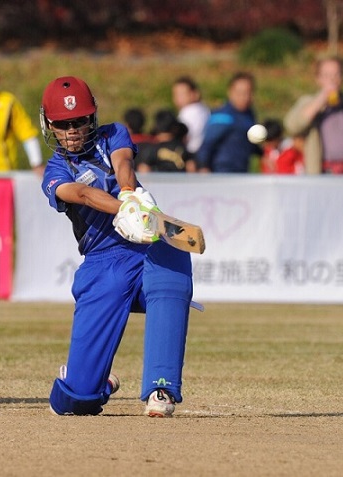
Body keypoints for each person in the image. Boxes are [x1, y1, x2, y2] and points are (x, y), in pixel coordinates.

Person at [39, 76, 194, 417]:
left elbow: (124, 163)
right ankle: (96, 384)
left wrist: (129, 195)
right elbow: (81, 194)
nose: (73, 130)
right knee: (76, 401)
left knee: (172, 258)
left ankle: (161, 388)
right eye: (64, 124)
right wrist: (123, 208)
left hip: (145, 247)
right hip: (103, 262)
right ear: (50, 125)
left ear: (91, 118)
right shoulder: (54, 171)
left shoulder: (113, 134)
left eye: (79, 121)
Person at [284, 56, 343, 175]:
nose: (332, 80)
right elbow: (292, 126)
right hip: (322, 172)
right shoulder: (307, 102)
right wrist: (320, 100)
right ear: (318, 79)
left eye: (336, 74)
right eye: (326, 75)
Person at [196, 71, 260, 173]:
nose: (244, 97)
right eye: (240, 93)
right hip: (222, 172)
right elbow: (207, 144)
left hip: (242, 171)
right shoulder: (222, 116)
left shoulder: (249, 114)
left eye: (248, 93)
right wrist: (203, 166)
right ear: (230, 92)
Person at [172, 76, 210, 158]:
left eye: (182, 94)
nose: (178, 98)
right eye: (176, 94)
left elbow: (184, 137)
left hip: (190, 155)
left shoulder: (190, 111)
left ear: (195, 94)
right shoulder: (204, 110)